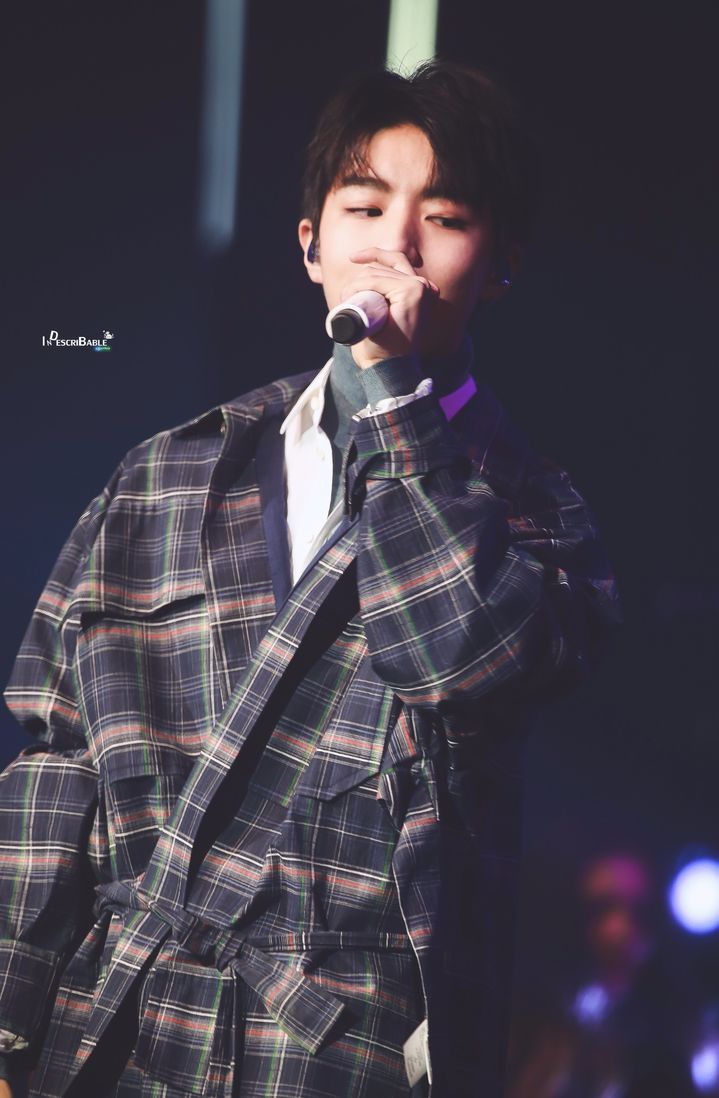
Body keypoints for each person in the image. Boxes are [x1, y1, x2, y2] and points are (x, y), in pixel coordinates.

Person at [0, 61, 621, 1098]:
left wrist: (393, 403)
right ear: (309, 244)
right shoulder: (170, 470)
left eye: (444, 217)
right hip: (110, 1036)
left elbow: (456, 657)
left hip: (336, 1056)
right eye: (364, 208)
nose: (395, 245)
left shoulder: (534, 513)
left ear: (501, 267)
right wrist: (8, 1021)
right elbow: (57, 758)